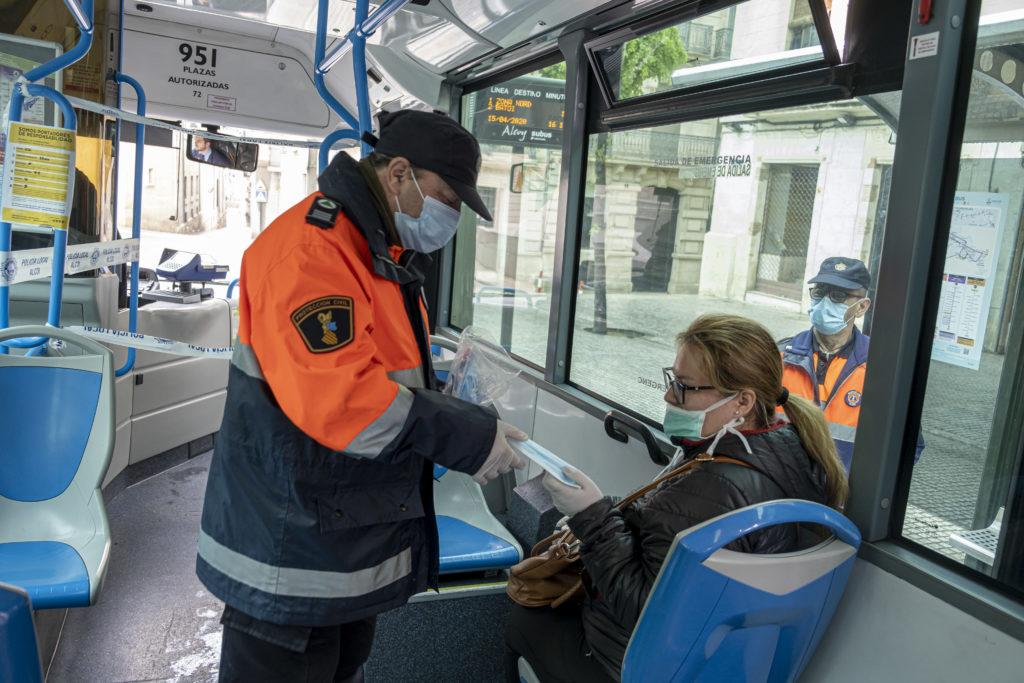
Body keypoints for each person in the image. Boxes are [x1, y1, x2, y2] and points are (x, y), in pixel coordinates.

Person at [196, 109, 527, 683]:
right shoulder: (313, 252)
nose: (450, 217)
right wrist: (470, 436)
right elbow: (343, 402)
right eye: (447, 197)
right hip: (289, 549)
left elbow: (380, 375)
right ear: (399, 174)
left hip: (342, 534)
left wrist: (451, 394)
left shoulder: (381, 254)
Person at [506, 314, 848, 683]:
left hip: (634, 665)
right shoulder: (792, 450)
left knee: (523, 619)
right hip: (727, 662)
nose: (669, 396)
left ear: (742, 401)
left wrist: (591, 516)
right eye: (672, 379)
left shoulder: (712, 487)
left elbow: (643, 613)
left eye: (685, 386)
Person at [779, 256, 923, 471]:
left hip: (845, 500)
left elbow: (908, 446)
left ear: (862, 307)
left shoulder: (882, 368)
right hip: (783, 495)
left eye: (837, 295)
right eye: (819, 292)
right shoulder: (778, 358)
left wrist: (866, 491)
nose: (824, 302)